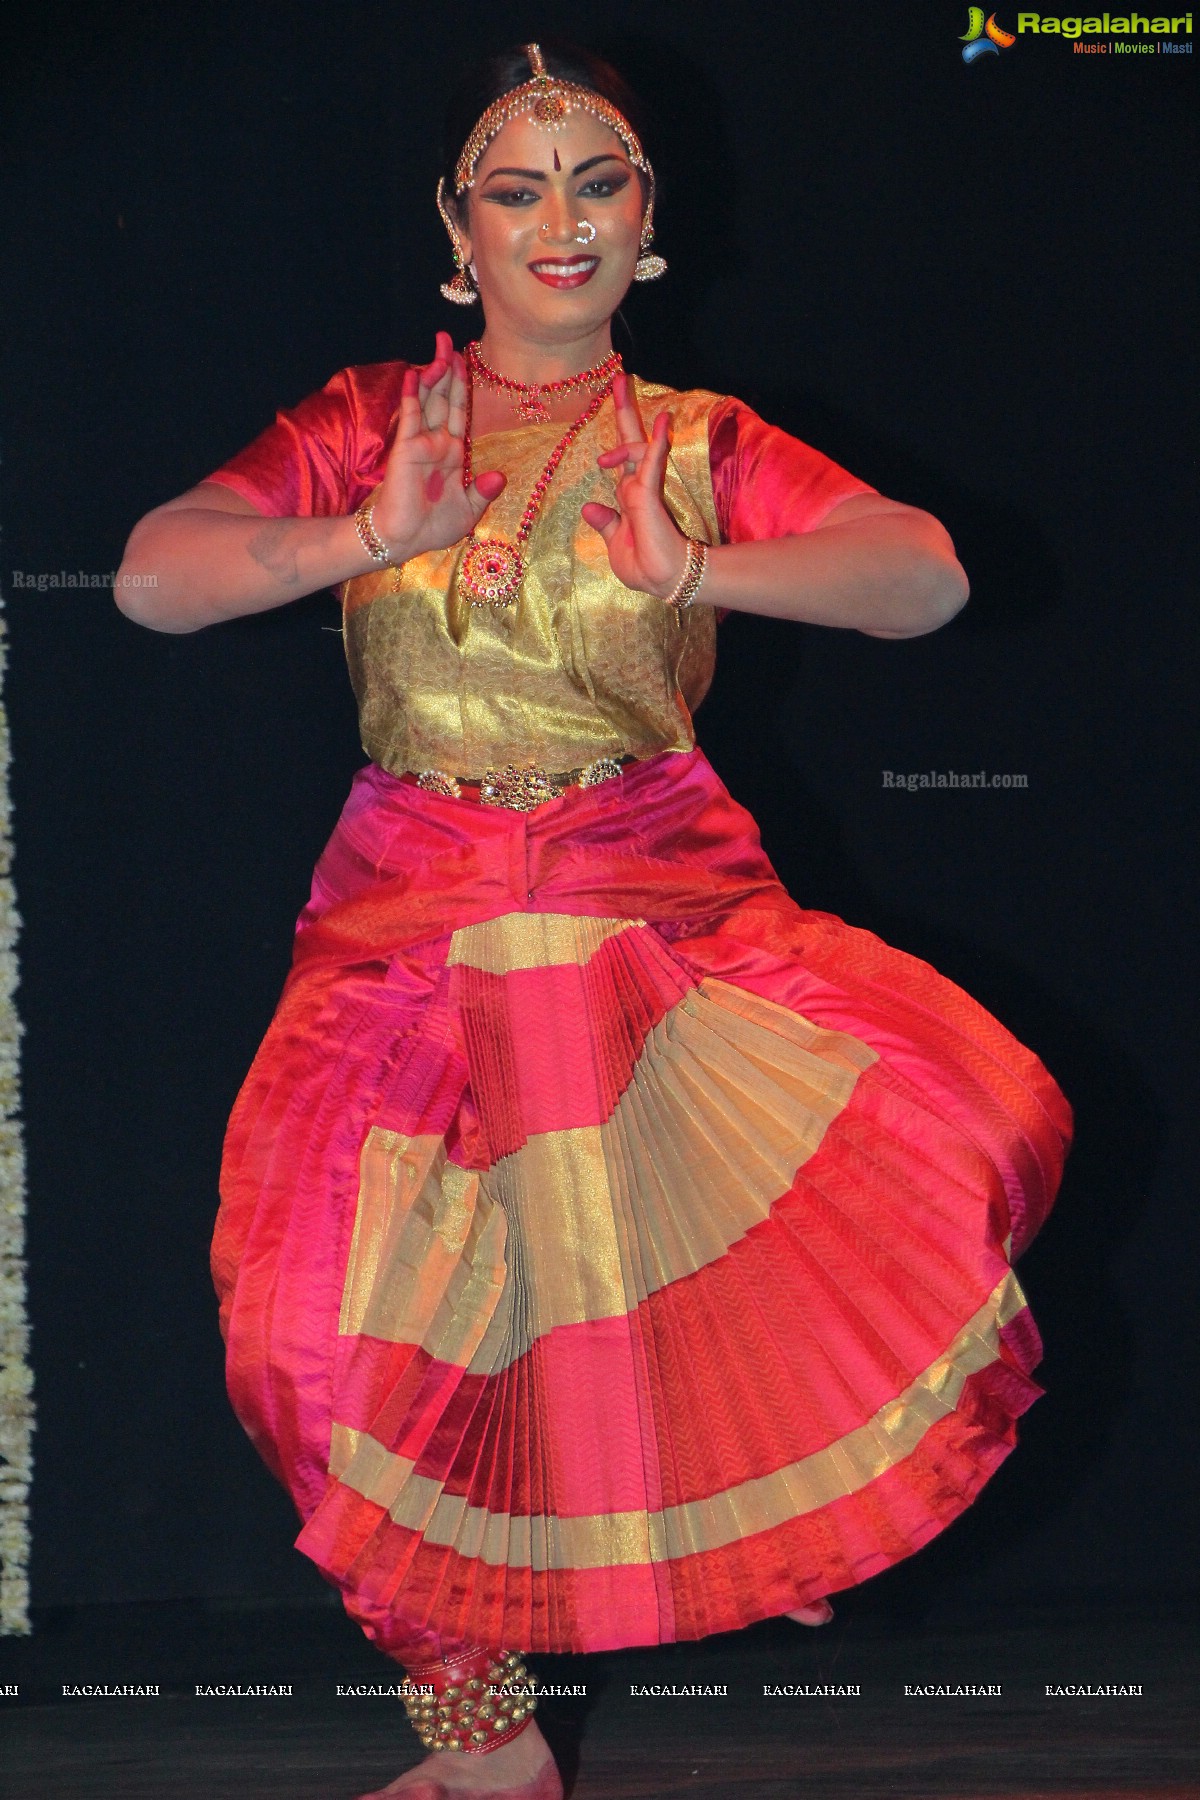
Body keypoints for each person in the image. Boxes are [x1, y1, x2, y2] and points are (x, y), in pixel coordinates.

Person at [115, 40, 1072, 1800]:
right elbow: (154, 578)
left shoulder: (699, 447)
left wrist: (697, 569)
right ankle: (484, 1740)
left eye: (598, 179)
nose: (559, 218)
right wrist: (356, 539)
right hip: (406, 921)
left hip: (655, 900)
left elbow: (921, 574)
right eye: (516, 183)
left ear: (650, 224)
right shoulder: (363, 419)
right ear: (455, 229)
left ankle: (620, 1655)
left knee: (962, 1126)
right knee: (295, 1349)